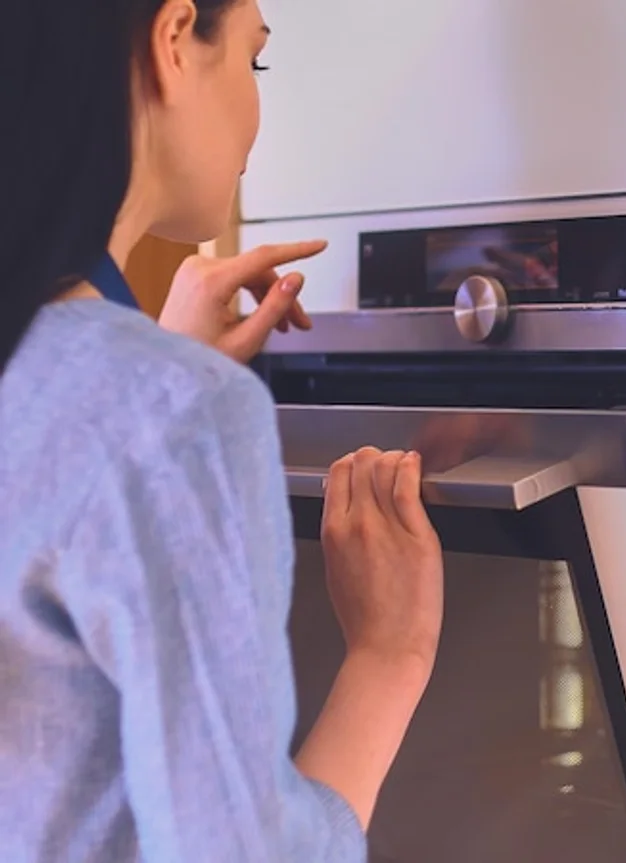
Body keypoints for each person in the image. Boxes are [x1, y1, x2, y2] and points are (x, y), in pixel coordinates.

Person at [0, 2, 444, 860]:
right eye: (254, 60)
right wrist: (392, 654)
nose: (254, 108)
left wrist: (154, 364)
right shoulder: (169, 412)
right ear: (173, 42)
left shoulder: (134, 401)